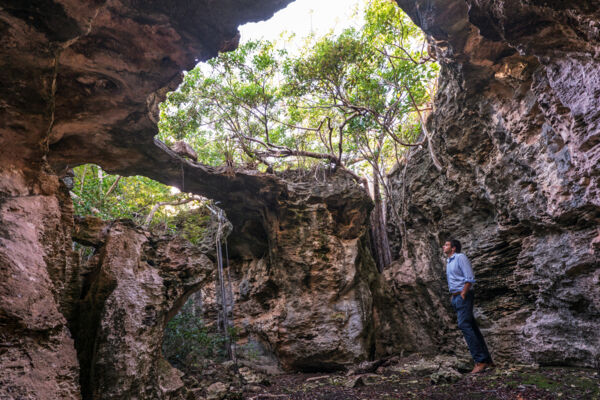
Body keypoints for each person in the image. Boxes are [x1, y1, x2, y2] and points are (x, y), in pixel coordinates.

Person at [443, 239, 493, 373]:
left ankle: (480, 361)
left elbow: (469, 277)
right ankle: (487, 360)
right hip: (456, 297)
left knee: (464, 325)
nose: (444, 246)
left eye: (446, 244)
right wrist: (453, 295)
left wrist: (463, 293)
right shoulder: (449, 261)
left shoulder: (460, 257)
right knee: (472, 327)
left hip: (463, 296)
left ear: (453, 248)